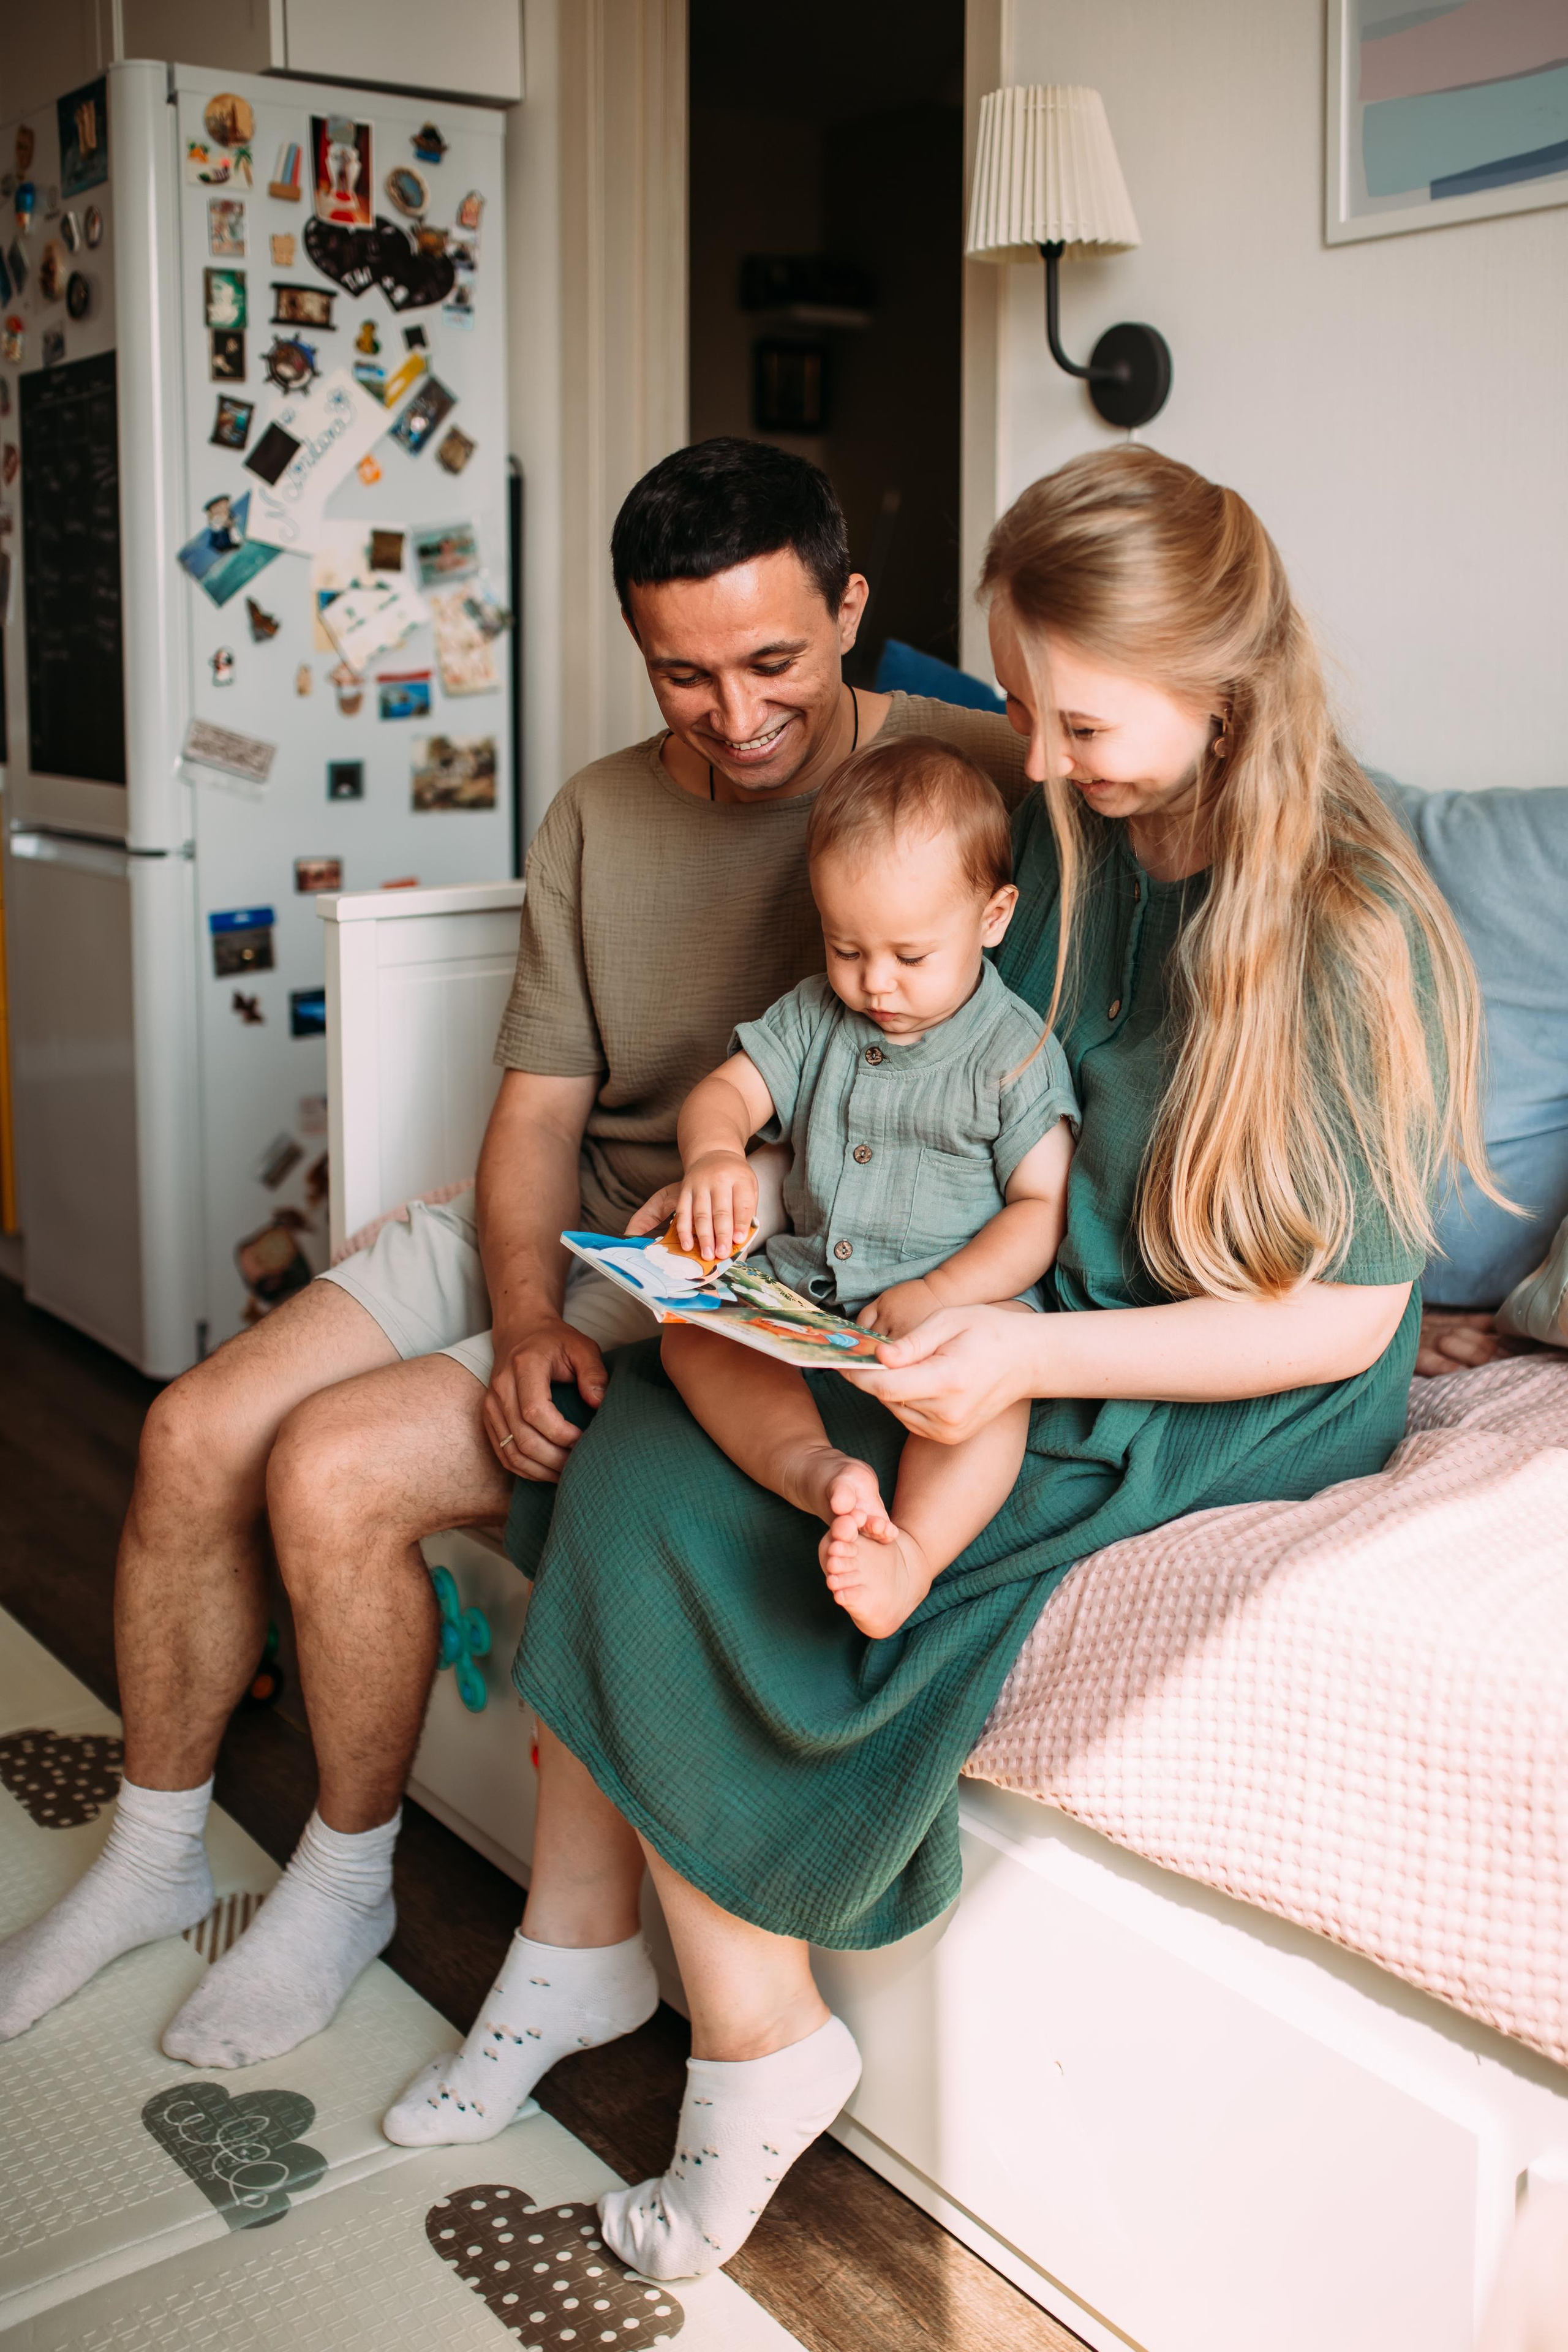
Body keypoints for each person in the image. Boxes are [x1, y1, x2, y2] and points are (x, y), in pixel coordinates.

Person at [383, 447, 1502, 2284]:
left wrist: (1022, 1352)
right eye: (1021, 708)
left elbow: (1343, 1321)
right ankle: (693, 2002)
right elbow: (902, 1063)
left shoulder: (1343, 922)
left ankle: (744, 2055)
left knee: (718, 1513)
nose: (1036, 761)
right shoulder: (1068, 836)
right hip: (1013, 1301)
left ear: (1218, 689)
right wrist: (754, 1206)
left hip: (1200, 1377)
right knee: (650, 1421)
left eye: (1077, 723)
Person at [0, 439, 1029, 2059]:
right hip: (566, 1228)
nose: (735, 714)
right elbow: (539, 1116)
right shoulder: (599, 813)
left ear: (849, 610)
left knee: (331, 1467)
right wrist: (528, 1307)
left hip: (707, 1269)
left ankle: (342, 1886)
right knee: (191, 1433)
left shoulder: (969, 769)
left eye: (773, 662)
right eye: (683, 674)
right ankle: (149, 1855)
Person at [662, 735, 1076, 1637]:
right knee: (690, 1339)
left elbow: (1041, 1211)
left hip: (947, 1314)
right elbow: (724, 1095)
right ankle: (816, 1469)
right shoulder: (818, 1012)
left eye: (910, 957)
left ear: (994, 916)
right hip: (802, 1298)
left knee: (996, 1396)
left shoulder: (1015, 1052)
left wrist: (942, 1292)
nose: (875, 984)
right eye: (845, 947)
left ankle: (912, 1552)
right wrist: (716, 1155)